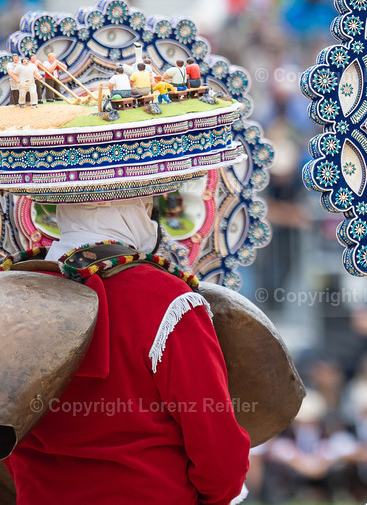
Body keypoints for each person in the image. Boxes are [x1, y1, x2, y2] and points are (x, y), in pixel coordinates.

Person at [2, 198, 252, 504]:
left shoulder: (10, 294)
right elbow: (218, 450)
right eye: (148, 202)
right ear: (138, 203)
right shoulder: (167, 297)